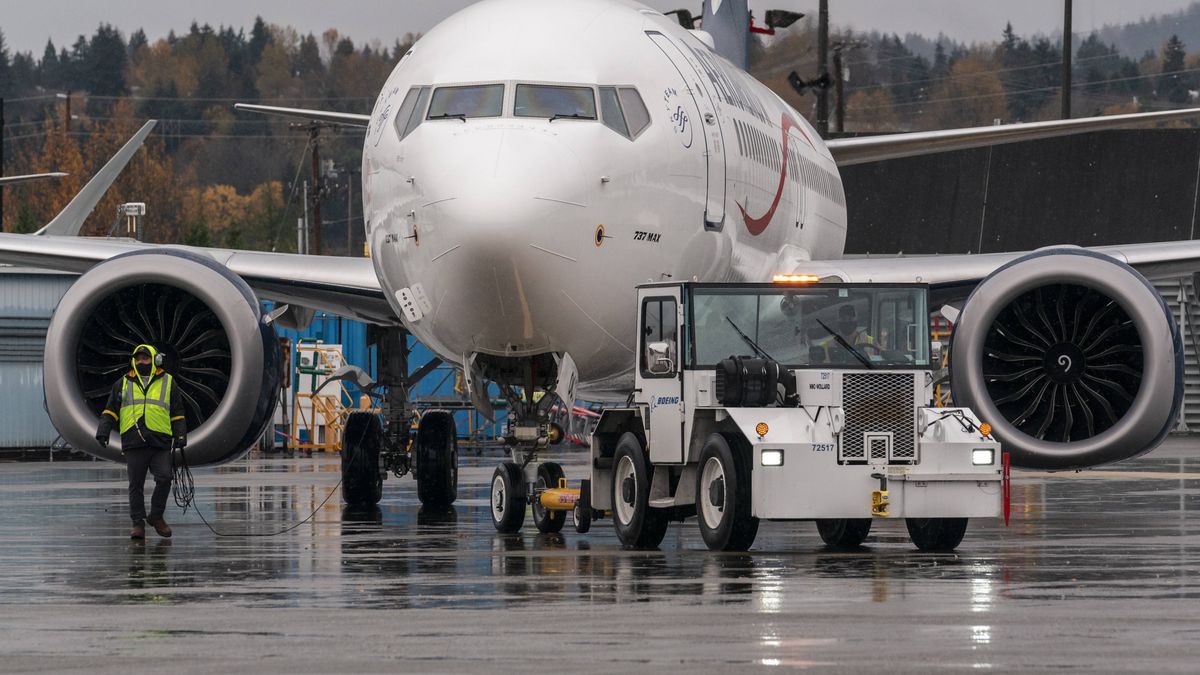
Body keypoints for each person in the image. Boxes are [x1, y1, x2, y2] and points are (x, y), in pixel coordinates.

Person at [94, 344, 187, 540]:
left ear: (155, 360)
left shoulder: (168, 382)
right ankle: (138, 523)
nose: (141, 362)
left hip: (159, 440)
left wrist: (180, 435)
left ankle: (156, 516)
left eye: (145, 359)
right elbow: (110, 409)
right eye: (138, 359)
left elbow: (177, 412)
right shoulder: (123, 383)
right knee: (135, 484)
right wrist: (103, 431)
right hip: (134, 441)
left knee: (165, 478)